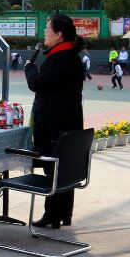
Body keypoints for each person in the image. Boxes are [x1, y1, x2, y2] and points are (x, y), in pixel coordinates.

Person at [23, 13, 85, 229]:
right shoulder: (71, 57)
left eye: (47, 30)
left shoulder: (59, 59)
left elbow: (37, 83)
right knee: (64, 170)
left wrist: (29, 67)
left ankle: (52, 214)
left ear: (59, 35)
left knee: (54, 170)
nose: (44, 34)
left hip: (55, 127)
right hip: (68, 125)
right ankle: (62, 214)